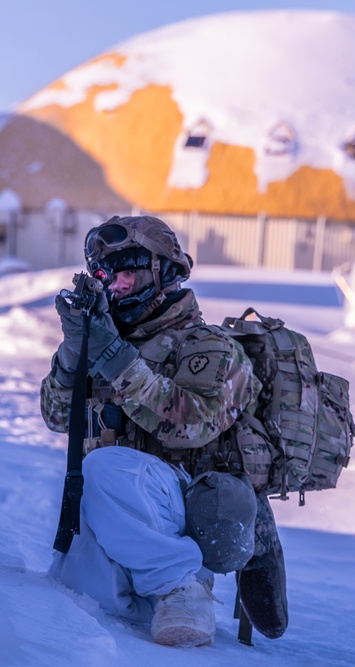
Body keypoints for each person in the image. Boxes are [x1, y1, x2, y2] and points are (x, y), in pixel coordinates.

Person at [40, 215, 287, 648]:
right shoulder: (108, 340)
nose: (115, 285)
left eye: (128, 273)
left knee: (106, 469)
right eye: (107, 275)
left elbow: (187, 426)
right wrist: (74, 353)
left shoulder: (208, 347)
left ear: (164, 273)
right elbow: (58, 417)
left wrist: (113, 358)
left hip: (186, 509)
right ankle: (156, 605)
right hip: (122, 516)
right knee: (71, 586)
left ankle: (183, 587)